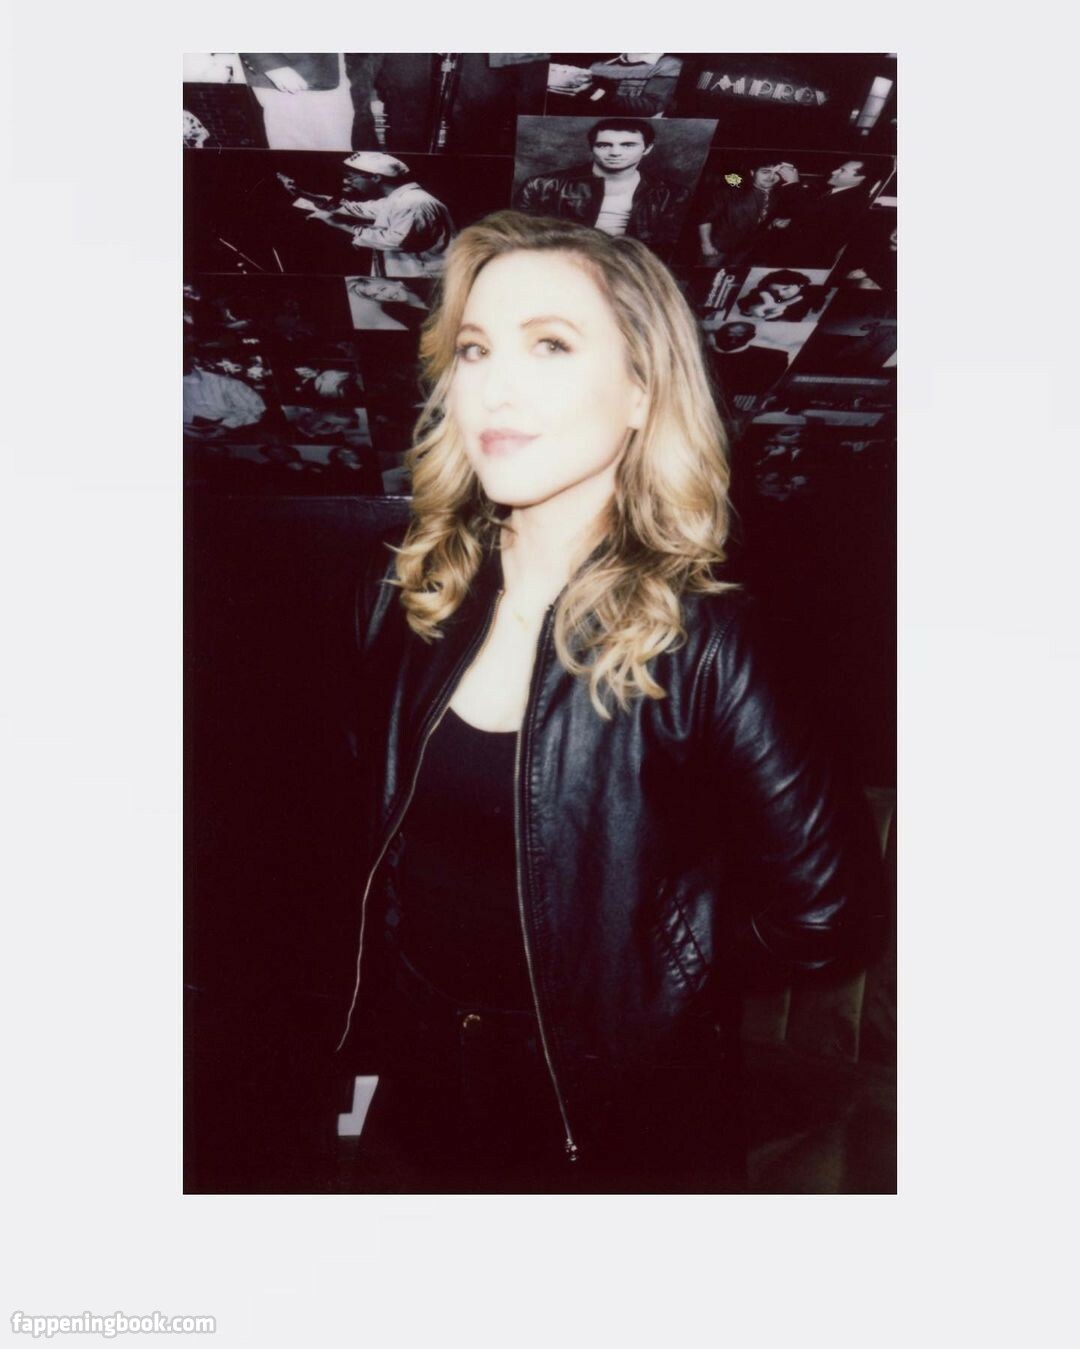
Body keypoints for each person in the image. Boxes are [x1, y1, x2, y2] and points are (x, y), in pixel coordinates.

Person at [337, 211, 882, 1193]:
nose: (493, 385)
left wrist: (652, 955)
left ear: (641, 390)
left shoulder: (712, 635)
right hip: (424, 1068)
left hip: (608, 1099)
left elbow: (829, 914)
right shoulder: (413, 588)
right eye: (475, 348)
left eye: (549, 344)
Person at [516, 119, 689, 246]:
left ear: (647, 148)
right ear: (592, 147)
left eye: (628, 145)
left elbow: (668, 247)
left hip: (630, 266)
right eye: (604, 145)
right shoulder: (541, 186)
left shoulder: (672, 193)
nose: (615, 152)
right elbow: (521, 238)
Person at [295, 151, 454, 277]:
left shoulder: (413, 203)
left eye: (351, 177)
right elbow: (353, 208)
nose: (346, 182)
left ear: (376, 177)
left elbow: (397, 241)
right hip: (410, 274)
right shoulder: (397, 199)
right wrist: (305, 195)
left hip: (423, 276)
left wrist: (339, 224)